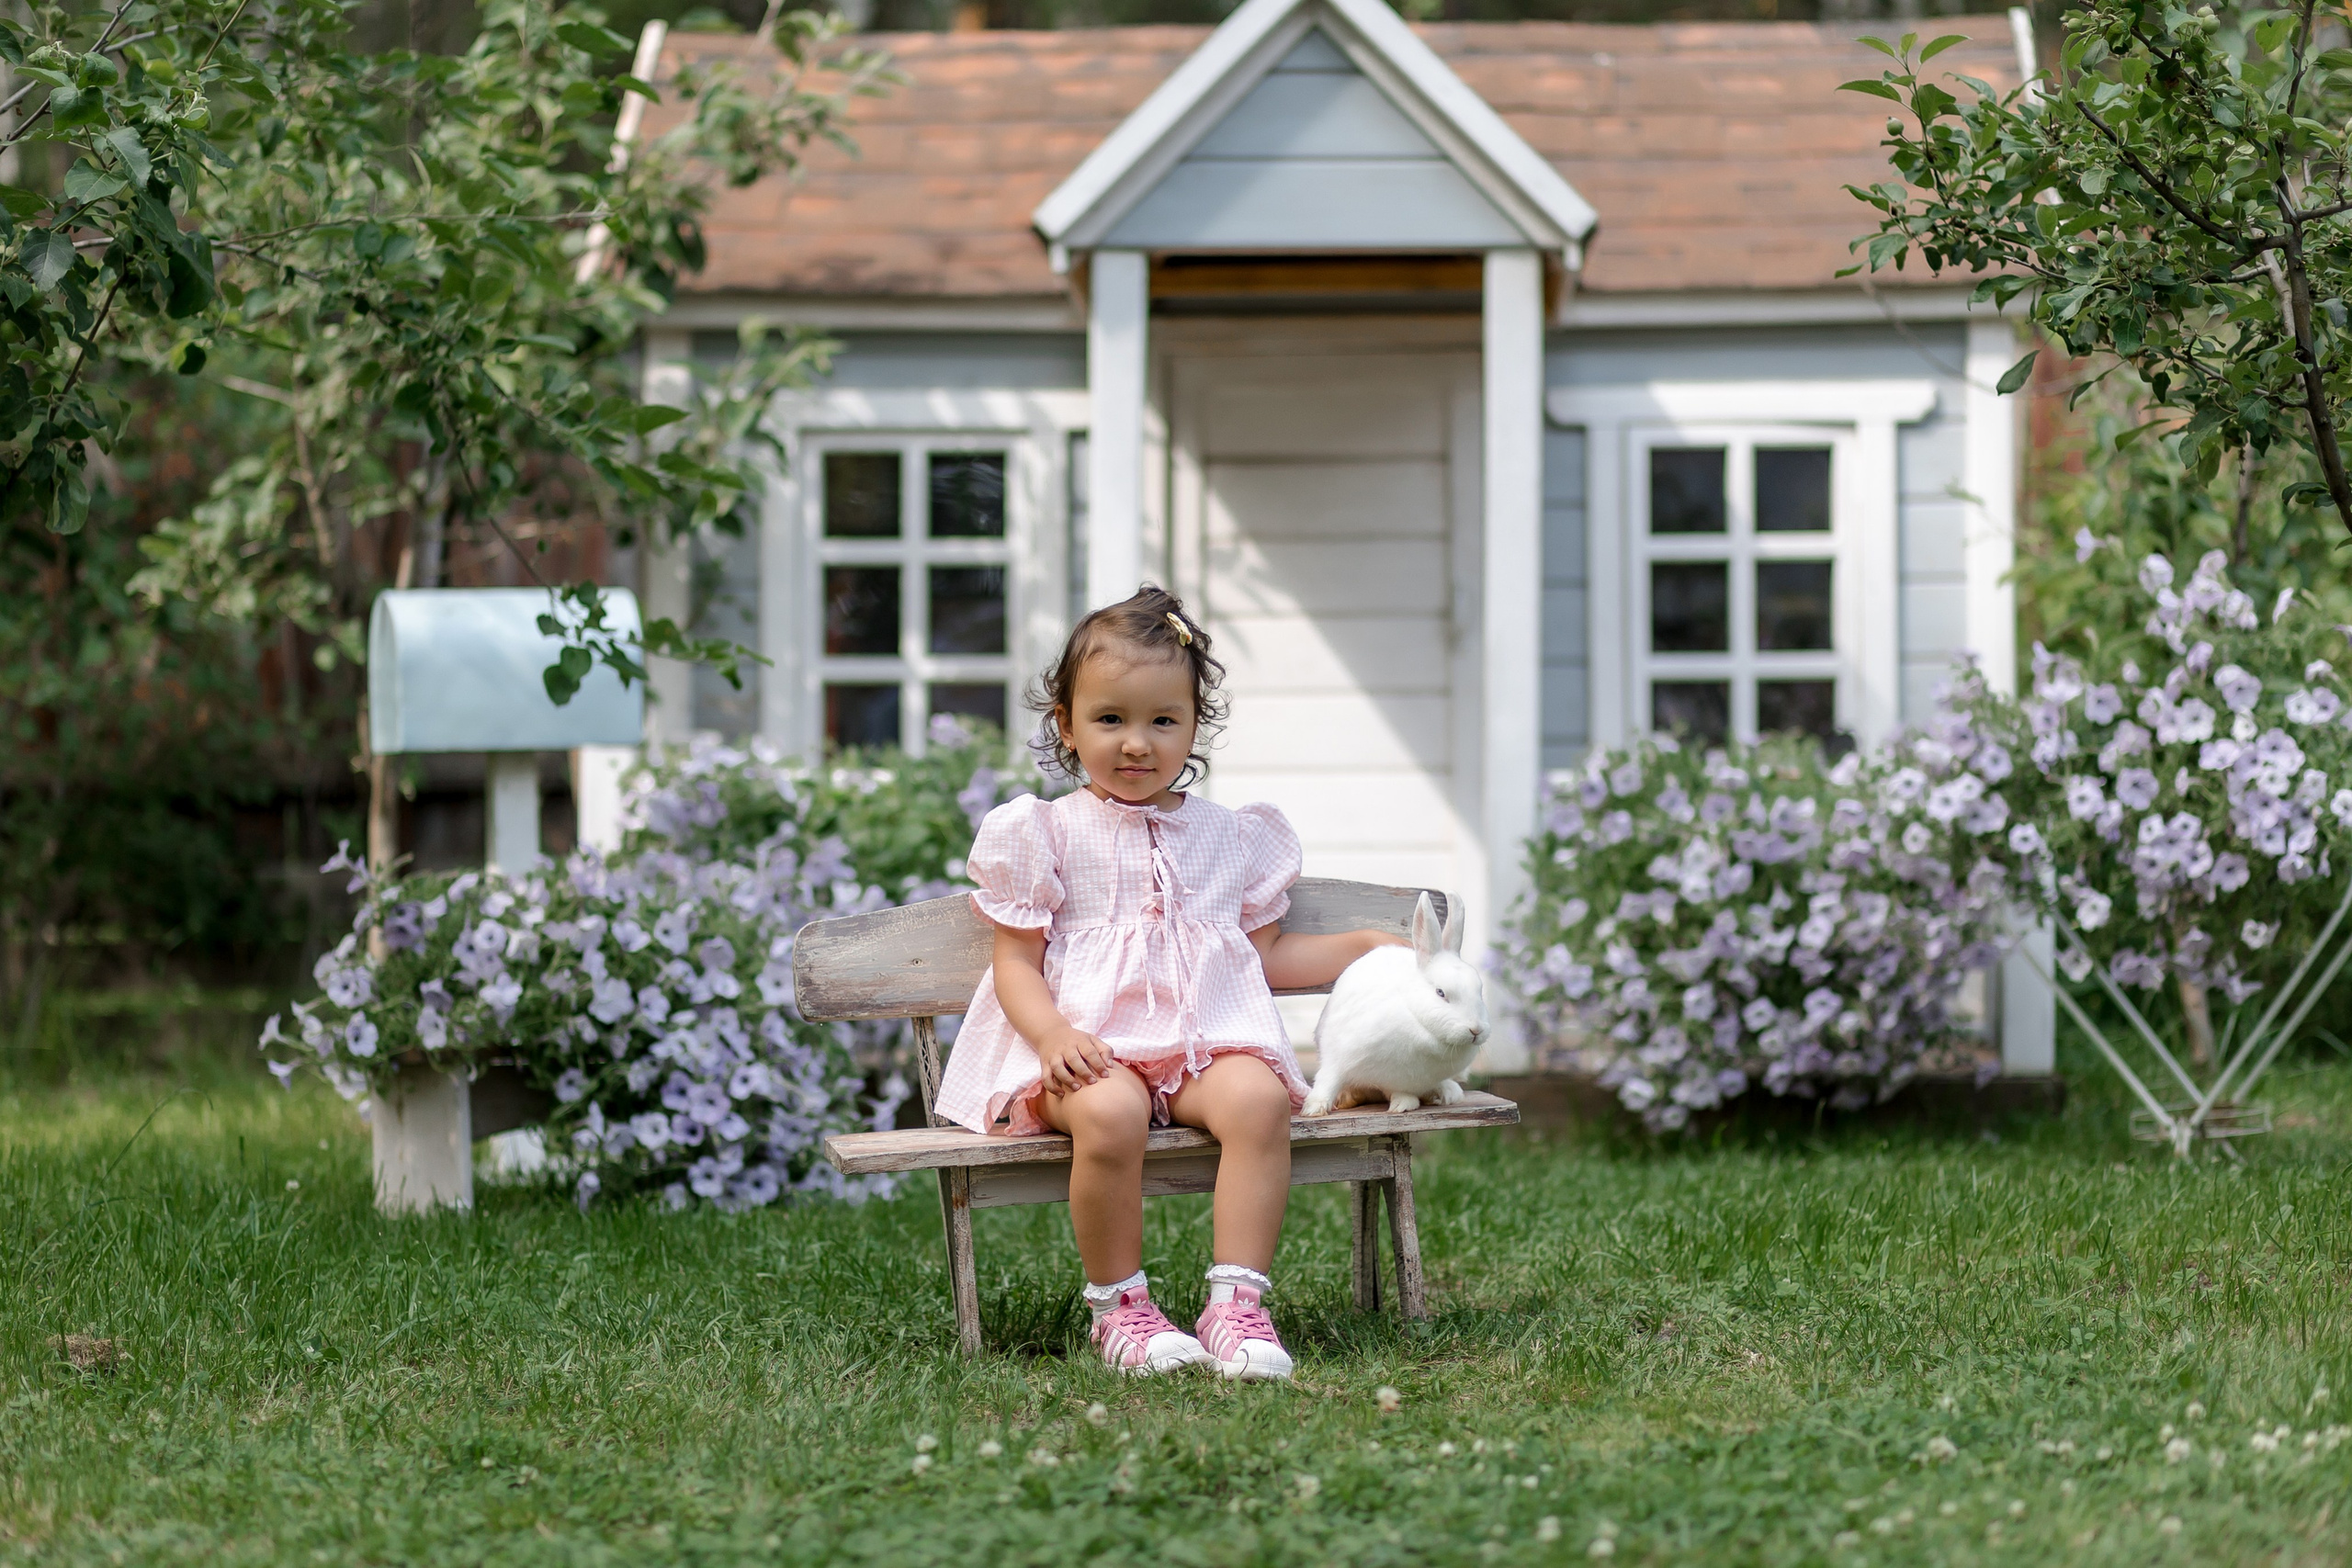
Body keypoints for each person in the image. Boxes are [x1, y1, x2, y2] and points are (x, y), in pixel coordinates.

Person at [933, 585, 1405, 1379]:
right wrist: (1052, 1037)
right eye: (1110, 719)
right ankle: (1120, 1309)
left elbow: (1265, 954)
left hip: (1196, 1049)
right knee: (1113, 1110)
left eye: (1163, 720)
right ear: (1067, 725)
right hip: (1082, 1057)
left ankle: (1238, 1305)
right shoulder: (1045, 832)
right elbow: (1014, 962)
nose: (1137, 743)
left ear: (1195, 723)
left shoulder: (1228, 837)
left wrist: (1363, 946)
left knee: (1257, 1099)